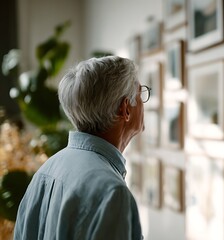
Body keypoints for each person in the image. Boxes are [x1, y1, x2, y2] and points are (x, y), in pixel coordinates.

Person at [13, 56, 151, 240]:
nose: (143, 102)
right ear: (125, 109)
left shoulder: (45, 171)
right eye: (140, 93)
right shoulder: (112, 193)